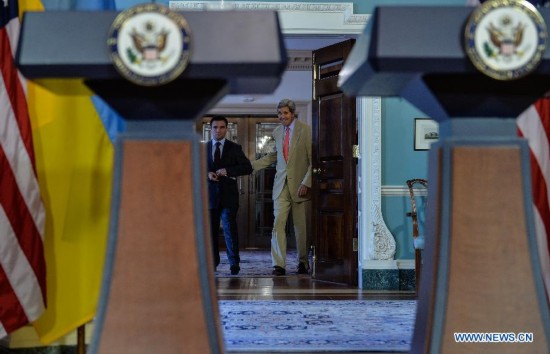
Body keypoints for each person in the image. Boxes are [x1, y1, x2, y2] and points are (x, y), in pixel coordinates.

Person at [252, 99, 312, 276]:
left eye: (285, 113)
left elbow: (312, 160)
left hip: (300, 186)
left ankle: (303, 262)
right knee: (278, 225)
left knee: (300, 228)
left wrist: (306, 182)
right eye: (279, 113)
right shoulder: (277, 132)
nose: (282, 116)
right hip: (280, 186)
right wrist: (250, 166)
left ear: (292, 113)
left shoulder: (306, 130)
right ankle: (278, 264)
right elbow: (274, 156)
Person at [207, 115, 252, 275]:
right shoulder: (202, 148)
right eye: (215, 127)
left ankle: (234, 263)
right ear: (210, 129)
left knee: (229, 229)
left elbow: (247, 168)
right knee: (210, 231)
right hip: (209, 197)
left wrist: (228, 171)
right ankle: (212, 263)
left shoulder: (234, 148)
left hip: (229, 197)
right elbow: (193, 168)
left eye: (221, 127)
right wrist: (207, 174)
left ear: (226, 129)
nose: (218, 130)